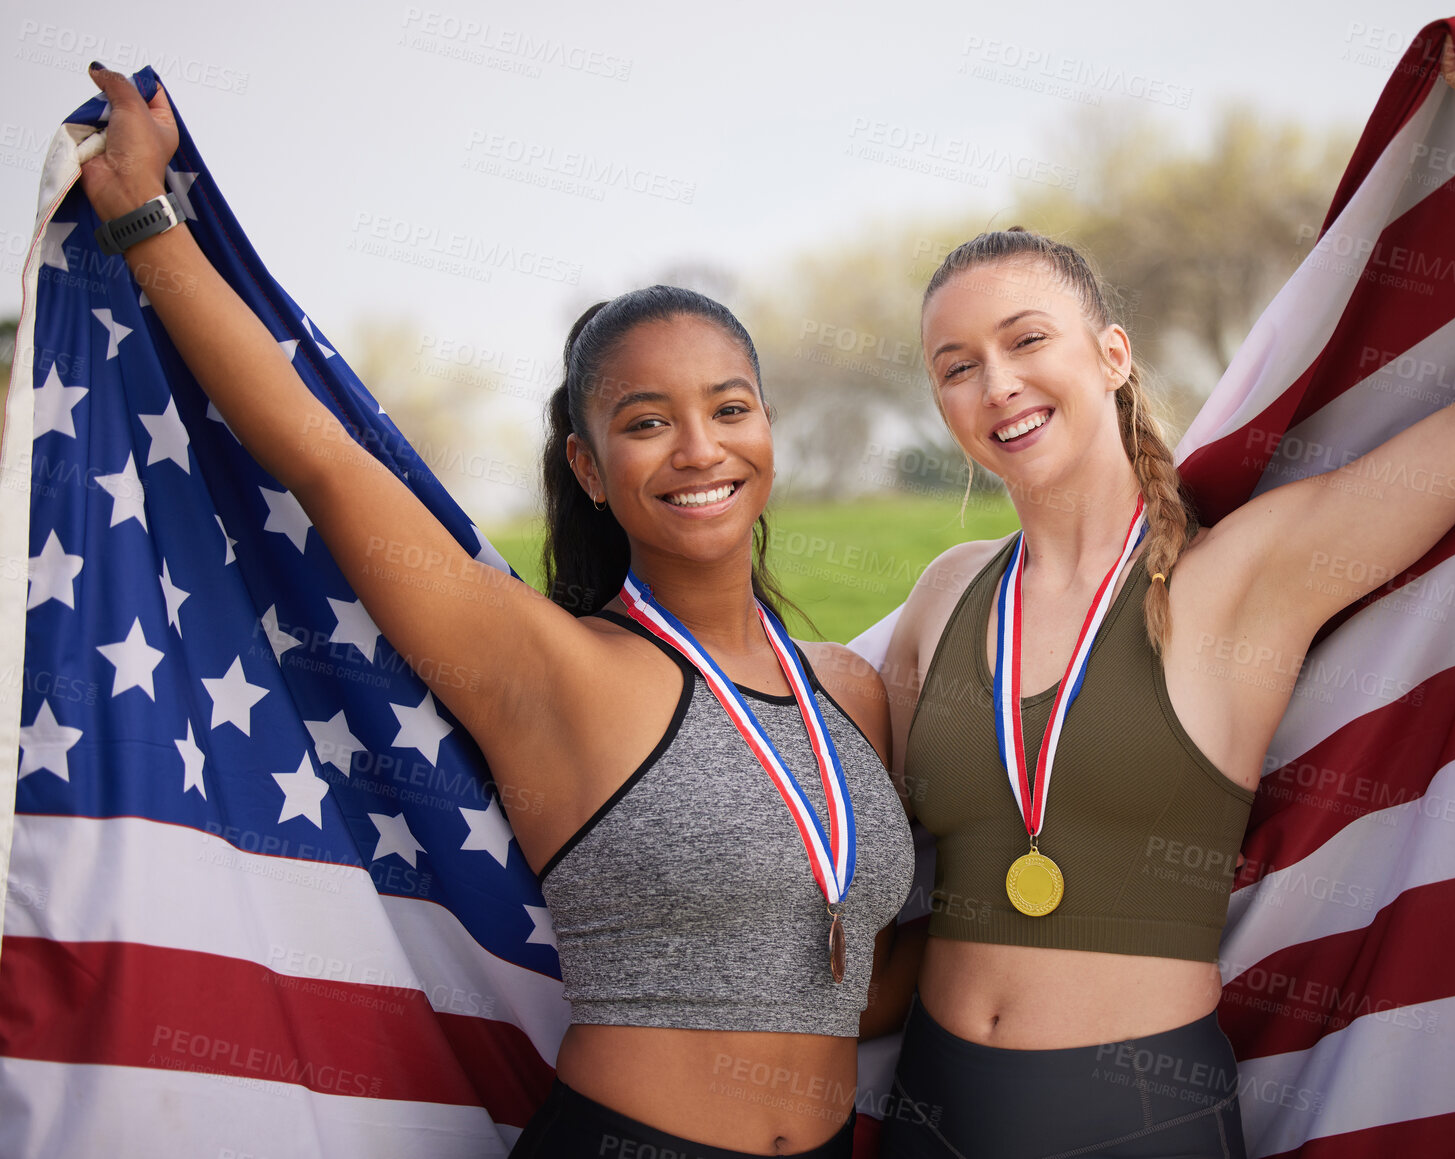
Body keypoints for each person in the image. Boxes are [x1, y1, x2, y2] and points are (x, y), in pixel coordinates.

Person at [80, 64, 916, 1158]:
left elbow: (863, 982)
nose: (700, 448)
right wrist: (148, 222)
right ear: (590, 462)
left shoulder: (847, 691)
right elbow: (325, 462)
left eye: (728, 407)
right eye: (648, 421)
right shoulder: (551, 668)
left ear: (767, 427)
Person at [878, 23, 1455, 1158]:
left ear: (1110, 354)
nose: (995, 383)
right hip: (933, 1110)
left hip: (1134, 1117)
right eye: (956, 366)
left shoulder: (1238, 576)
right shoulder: (945, 594)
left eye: (1024, 340)